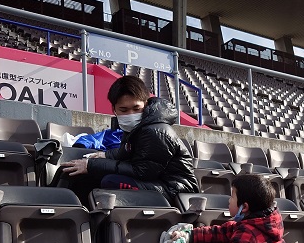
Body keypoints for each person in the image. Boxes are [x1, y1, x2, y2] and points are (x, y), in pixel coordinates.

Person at [56, 75, 199, 204]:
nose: (131, 114)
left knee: (110, 181)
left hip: (175, 189)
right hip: (157, 182)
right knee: (76, 172)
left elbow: (143, 171)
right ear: (114, 109)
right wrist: (105, 155)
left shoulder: (155, 130)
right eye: (123, 110)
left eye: (136, 109)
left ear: (146, 104)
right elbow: (127, 152)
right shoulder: (137, 127)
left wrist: (92, 165)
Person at [168, 174, 289, 243]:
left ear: (244, 207)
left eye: (232, 197)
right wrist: (190, 235)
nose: (229, 200)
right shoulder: (265, 223)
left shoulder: (250, 235)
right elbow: (223, 232)